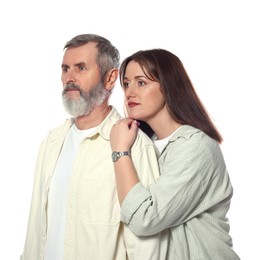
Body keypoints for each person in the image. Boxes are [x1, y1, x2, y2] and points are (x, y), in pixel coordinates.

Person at [20, 35, 169, 260]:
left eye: (81, 68)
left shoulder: (135, 146)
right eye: (65, 68)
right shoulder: (50, 143)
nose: (69, 77)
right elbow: (35, 229)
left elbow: (148, 247)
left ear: (110, 79)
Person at [110, 49, 240, 259]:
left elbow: (146, 218)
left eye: (141, 82)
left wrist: (119, 151)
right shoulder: (142, 145)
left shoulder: (197, 146)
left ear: (168, 86)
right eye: (126, 84)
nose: (129, 92)